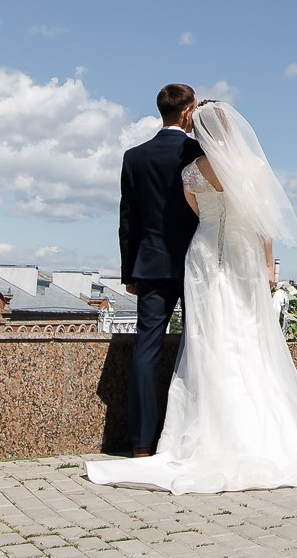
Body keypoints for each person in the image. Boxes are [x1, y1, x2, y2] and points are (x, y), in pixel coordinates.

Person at [88, 99, 297, 493]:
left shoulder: (188, 171)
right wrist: (269, 268)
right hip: (242, 258)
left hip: (198, 258)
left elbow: (184, 214)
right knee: (247, 337)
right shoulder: (253, 169)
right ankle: (255, 432)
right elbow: (263, 224)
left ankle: (154, 441)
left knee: (202, 340)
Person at [116, 82, 206, 457]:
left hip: (150, 265)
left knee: (146, 349)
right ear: (187, 112)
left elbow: (127, 221)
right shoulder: (199, 152)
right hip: (198, 265)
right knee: (201, 347)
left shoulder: (134, 156)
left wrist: (129, 272)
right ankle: (194, 438)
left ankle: (140, 443)